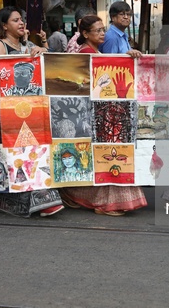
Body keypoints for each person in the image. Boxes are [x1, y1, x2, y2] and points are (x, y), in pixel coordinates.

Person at [60, 14, 147, 217]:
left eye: (103, 29)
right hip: (94, 113)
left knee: (104, 155)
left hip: (103, 111)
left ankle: (76, 194)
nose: (103, 33)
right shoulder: (87, 53)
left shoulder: (95, 51)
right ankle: (101, 200)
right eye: (98, 30)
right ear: (85, 33)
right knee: (106, 155)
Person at [0, 6, 63, 218]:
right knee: (16, 157)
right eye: (16, 20)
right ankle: (41, 201)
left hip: (30, 110)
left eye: (22, 20)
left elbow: (50, 61)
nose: (21, 23)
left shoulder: (27, 44)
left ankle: (5, 200)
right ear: (4, 25)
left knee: (32, 155)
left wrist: (43, 47)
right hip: (7, 111)